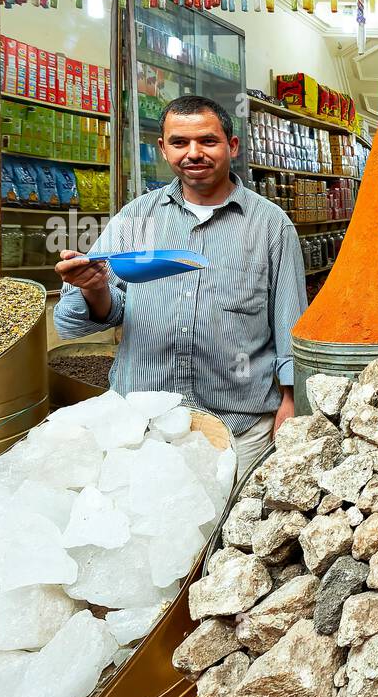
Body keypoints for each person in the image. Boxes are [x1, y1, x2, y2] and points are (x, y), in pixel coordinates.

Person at [54, 94, 307, 475]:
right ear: (163, 148)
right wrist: (93, 287)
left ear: (231, 146)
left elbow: (291, 322)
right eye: (179, 142)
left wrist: (291, 401)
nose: (194, 153)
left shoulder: (270, 225)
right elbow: (77, 322)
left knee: (233, 532)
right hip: (143, 422)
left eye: (208, 141)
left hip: (240, 425)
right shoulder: (136, 218)